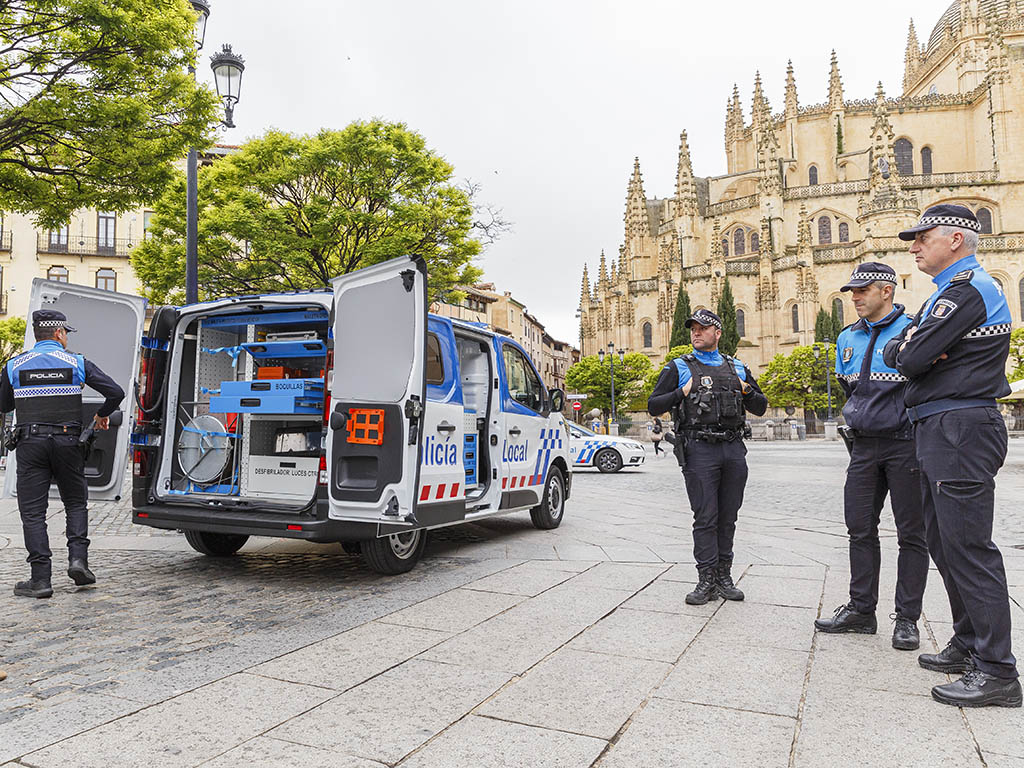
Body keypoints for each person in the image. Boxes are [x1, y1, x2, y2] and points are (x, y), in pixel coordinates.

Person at [882, 204, 1020, 708]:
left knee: (968, 546)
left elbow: (910, 357)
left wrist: (915, 350)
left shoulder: (969, 291)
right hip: (941, 425)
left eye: (922, 237)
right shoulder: (947, 294)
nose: (913, 247)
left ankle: (997, 670)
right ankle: (968, 643)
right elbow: (900, 352)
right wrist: (913, 349)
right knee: (942, 542)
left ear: (957, 239)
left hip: (960, 425)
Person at [813, 262, 929, 651]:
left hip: (906, 443)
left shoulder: (914, 331)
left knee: (912, 533)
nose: (856, 297)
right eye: (852, 292)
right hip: (863, 446)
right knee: (859, 528)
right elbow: (851, 390)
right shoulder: (846, 338)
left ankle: (908, 618)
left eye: (864, 290)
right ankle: (862, 609)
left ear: (887, 291)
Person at [0, 310, 125, 599]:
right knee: (75, 502)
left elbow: (4, 404)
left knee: (33, 513)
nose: (67, 337)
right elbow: (115, 392)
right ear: (58, 333)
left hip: (30, 442)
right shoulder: (77, 363)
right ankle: (78, 560)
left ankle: (40, 580)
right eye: (66, 332)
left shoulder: (14, 365)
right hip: (69, 441)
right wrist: (101, 415)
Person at [648, 309, 768, 605]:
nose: (696, 333)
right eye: (693, 328)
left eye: (703, 328)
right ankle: (706, 579)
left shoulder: (737, 366)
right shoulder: (679, 366)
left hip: (732, 449)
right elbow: (653, 405)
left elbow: (762, 406)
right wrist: (682, 391)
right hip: (699, 449)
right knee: (706, 517)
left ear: (718, 333)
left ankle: (724, 577)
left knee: (728, 517)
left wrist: (746, 389)